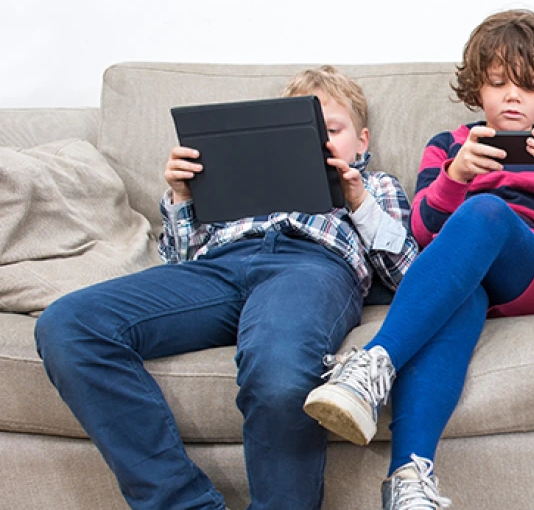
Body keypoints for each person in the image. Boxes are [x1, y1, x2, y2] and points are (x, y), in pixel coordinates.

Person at [33, 65, 417, 509]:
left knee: (280, 372)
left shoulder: (377, 185)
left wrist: (358, 202)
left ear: (362, 141)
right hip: (218, 268)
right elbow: (178, 260)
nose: (320, 143)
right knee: (69, 324)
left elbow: (406, 273)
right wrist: (181, 198)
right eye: (303, 135)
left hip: (310, 267)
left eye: (332, 130)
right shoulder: (240, 182)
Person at [301, 9, 534, 509]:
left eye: (527, 85)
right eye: (498, 83)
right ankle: (409, 481)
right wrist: (454, 175)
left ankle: (376, 361)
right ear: (477, 88)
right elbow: (420, 233)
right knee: (461, 296)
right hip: (459, 282)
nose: (512, 97)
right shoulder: (448, 146)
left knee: (487, 212)